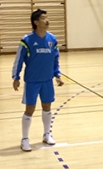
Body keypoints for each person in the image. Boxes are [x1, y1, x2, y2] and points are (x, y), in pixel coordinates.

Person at [12, 9, 64, 152]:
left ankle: (47, 134)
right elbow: (19, 60)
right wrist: (16, 77)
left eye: (47, 18)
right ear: (36, 22)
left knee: (47, 107)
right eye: (43, 18)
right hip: (32, 81)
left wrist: (57, 75)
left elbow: (55, 59)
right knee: (30, 109)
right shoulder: (27, 40)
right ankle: (25, 139)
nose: (47, 20)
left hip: (47, 80)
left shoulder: (52, 39)